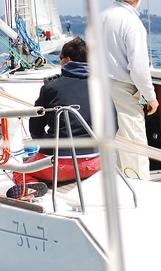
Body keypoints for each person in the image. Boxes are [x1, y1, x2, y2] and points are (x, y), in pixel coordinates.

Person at [9, 37, 101, 199]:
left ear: (68, 60)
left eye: (60, 58)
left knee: (19, 170)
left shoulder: (51, 88)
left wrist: (43, 143)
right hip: (95, 163)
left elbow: (36, 126)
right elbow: (113, 124)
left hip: (58, 165)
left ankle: (30, 188)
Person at [100, 0, 159, 180]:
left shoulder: (101, 17)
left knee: (111, 140)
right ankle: (139, 187)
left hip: (99, 87)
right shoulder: (132, 23)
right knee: (134, 142)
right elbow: (139, 68)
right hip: (123, 89)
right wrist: (151, 98)